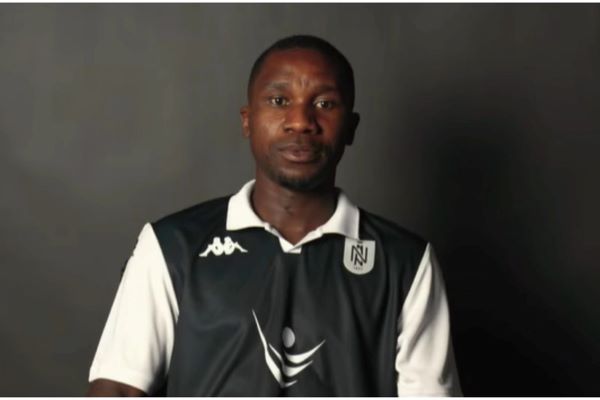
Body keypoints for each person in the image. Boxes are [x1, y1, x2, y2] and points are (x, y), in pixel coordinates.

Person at [87, 34, 462, 396]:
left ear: (351, 127)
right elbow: (117, 388)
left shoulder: (405, 262)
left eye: (325, 103)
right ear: (247, 120)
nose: (301, 121)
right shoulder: (173, 246)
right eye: (280, 100)